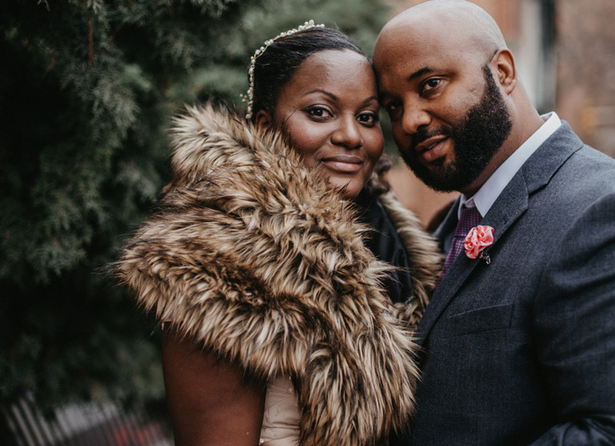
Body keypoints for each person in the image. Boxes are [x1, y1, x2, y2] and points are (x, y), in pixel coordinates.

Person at [372, 0, 615, 445]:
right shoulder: (445, 226)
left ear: (503, 72)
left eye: (430, 85)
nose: (410, 121)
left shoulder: (614, 215)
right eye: (392, 106)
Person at [116, 22, 442, 445]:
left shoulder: (394, 242)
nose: (350, 135)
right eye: (319, 112)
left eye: (366, 117)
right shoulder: (213, 263)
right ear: (265, 126)